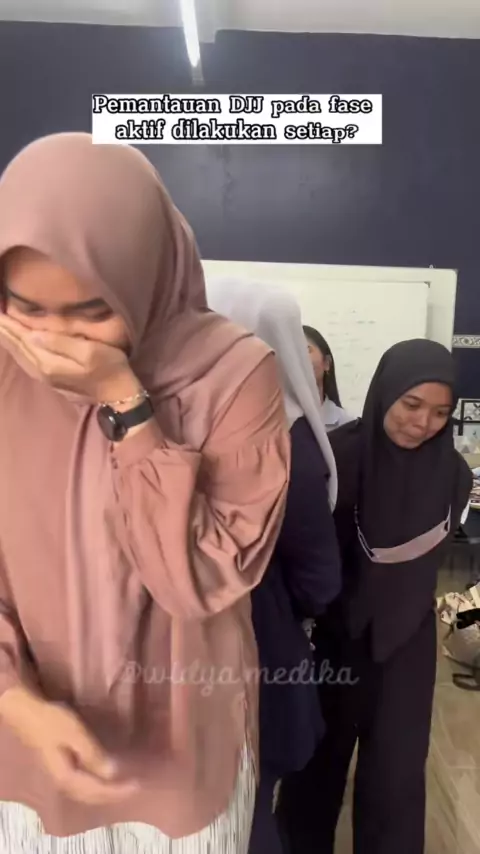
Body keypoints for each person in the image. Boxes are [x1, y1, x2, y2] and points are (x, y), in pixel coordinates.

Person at [0, 134, 291, 853]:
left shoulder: (234, 376)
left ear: (144, 274)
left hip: (180, 755)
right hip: (30, 752)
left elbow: (197, 581)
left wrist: (127, 408)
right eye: (24, 307)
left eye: (90, 310)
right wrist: (14, 700)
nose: (54, 341)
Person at [279, 339, 472, 854]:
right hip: (332, 636)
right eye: (411, 404)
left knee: (396, 773)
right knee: (316, 762)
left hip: (407, 641)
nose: (422, 423)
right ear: (386, 392)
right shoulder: (337, 457)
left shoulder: (453, 474)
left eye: (440, 413)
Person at [207, 278, 342, 854]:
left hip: (174, 639)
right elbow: (320, 580)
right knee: (251, 800)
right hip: (262, 638)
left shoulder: (174, 419)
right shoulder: (290, 439)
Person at [303, 324, 354, 431]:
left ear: (326, 363)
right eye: (292, 352)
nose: (298, 357)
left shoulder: (347, 426)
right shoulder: (275, 426)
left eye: (306, 349)